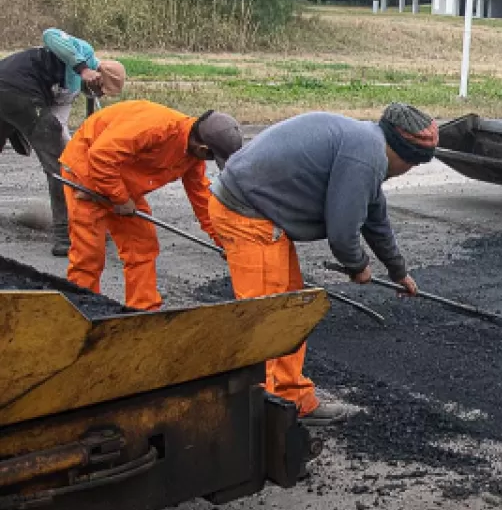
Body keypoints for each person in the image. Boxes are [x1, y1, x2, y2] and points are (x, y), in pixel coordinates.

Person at [208, 104, 435, 427]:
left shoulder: (368, 145)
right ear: (403, 153)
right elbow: (343, 233)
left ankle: (290, 399)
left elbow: (375, 217)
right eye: (412, 163)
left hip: (261, 213)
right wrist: (357, 265)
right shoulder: (365, 156)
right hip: (247, 212)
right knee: (267, 320)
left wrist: (398, 272)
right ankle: (257, 421)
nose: (409, 170)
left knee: (290, 310)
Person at [60, 100, 243, 311]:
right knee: (89, 253)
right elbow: (101, 155)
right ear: (202, 147)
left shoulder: (192, 156)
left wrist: (223, 242)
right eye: (211, 156)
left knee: (142, 246)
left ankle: (142, 310)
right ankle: (82, 309)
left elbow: (202, 200)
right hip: (85, 173)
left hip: (120, 179)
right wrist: (119, 199)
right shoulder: (157, 128)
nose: (209, 161)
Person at [0, 28, 125, 256]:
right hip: (16, 87)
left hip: (13, 93)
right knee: (60, 168)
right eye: (101, 90)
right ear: (97, 77)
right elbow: (50, 35)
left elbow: (58, 128)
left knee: (64, 159)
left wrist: (76, 157)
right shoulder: (83, 53)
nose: (99, 95)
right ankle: (65, 236)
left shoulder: (70, 90)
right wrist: (83, 68)